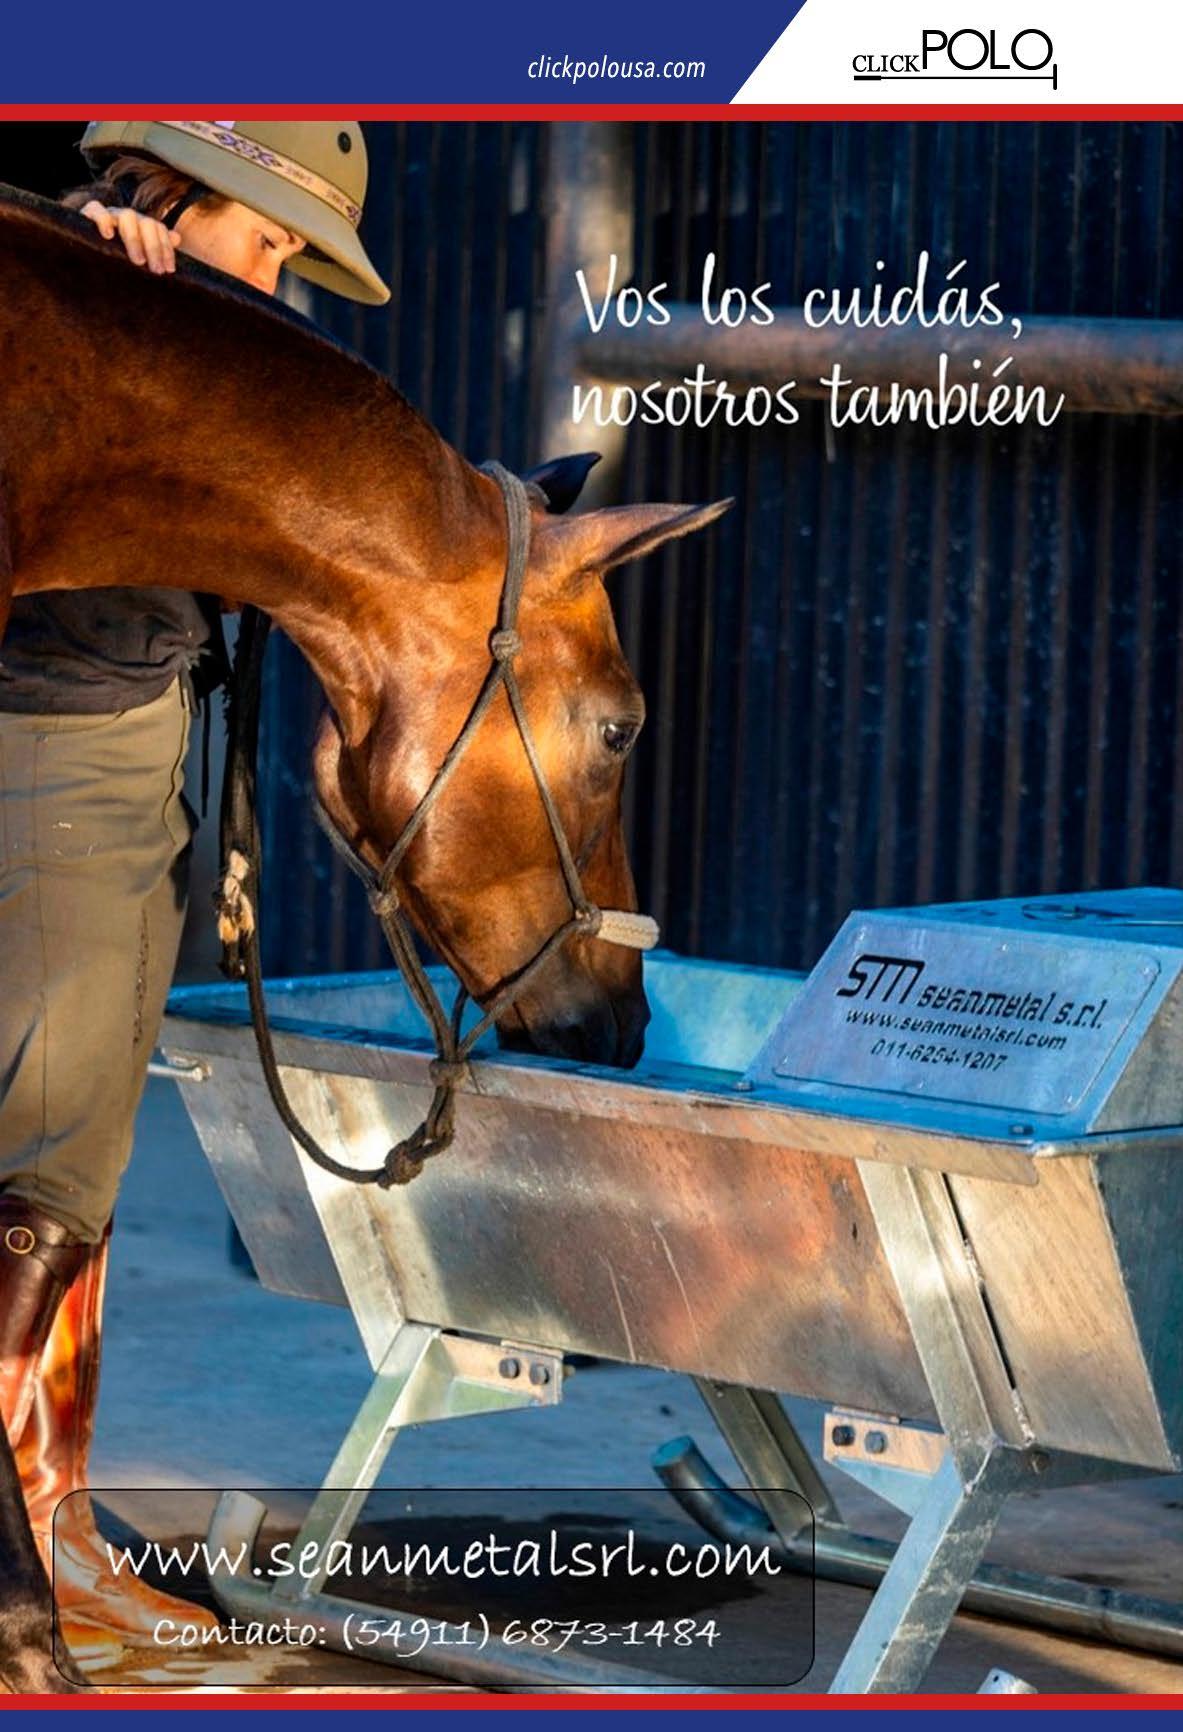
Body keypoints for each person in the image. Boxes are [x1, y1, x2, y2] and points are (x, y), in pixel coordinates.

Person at [0, 121, 390, 1670]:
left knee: (72, 1167)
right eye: (268, 240)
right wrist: (109, 293)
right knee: (49, 1172)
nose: (271, 281)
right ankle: (31, 1552)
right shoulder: (73, 286)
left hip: (130, 747)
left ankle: (55, 1524)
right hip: (59, 758)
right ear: (175, 185)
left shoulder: (167, 312)